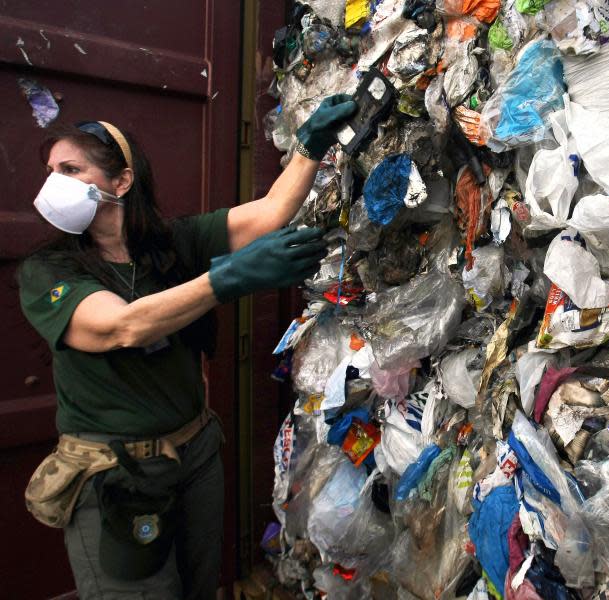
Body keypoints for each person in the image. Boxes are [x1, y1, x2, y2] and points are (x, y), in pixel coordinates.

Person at [17, 95, 356, 599]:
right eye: (51, 170)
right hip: (117, 475)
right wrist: (226, 279)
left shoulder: (175, 243)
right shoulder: (47, 271)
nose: (54, 183)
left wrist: (310, 143)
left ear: (121, 182)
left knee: (200, 586)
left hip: (194, 458)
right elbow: (122, 327)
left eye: (71, 168)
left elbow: (271, 211)